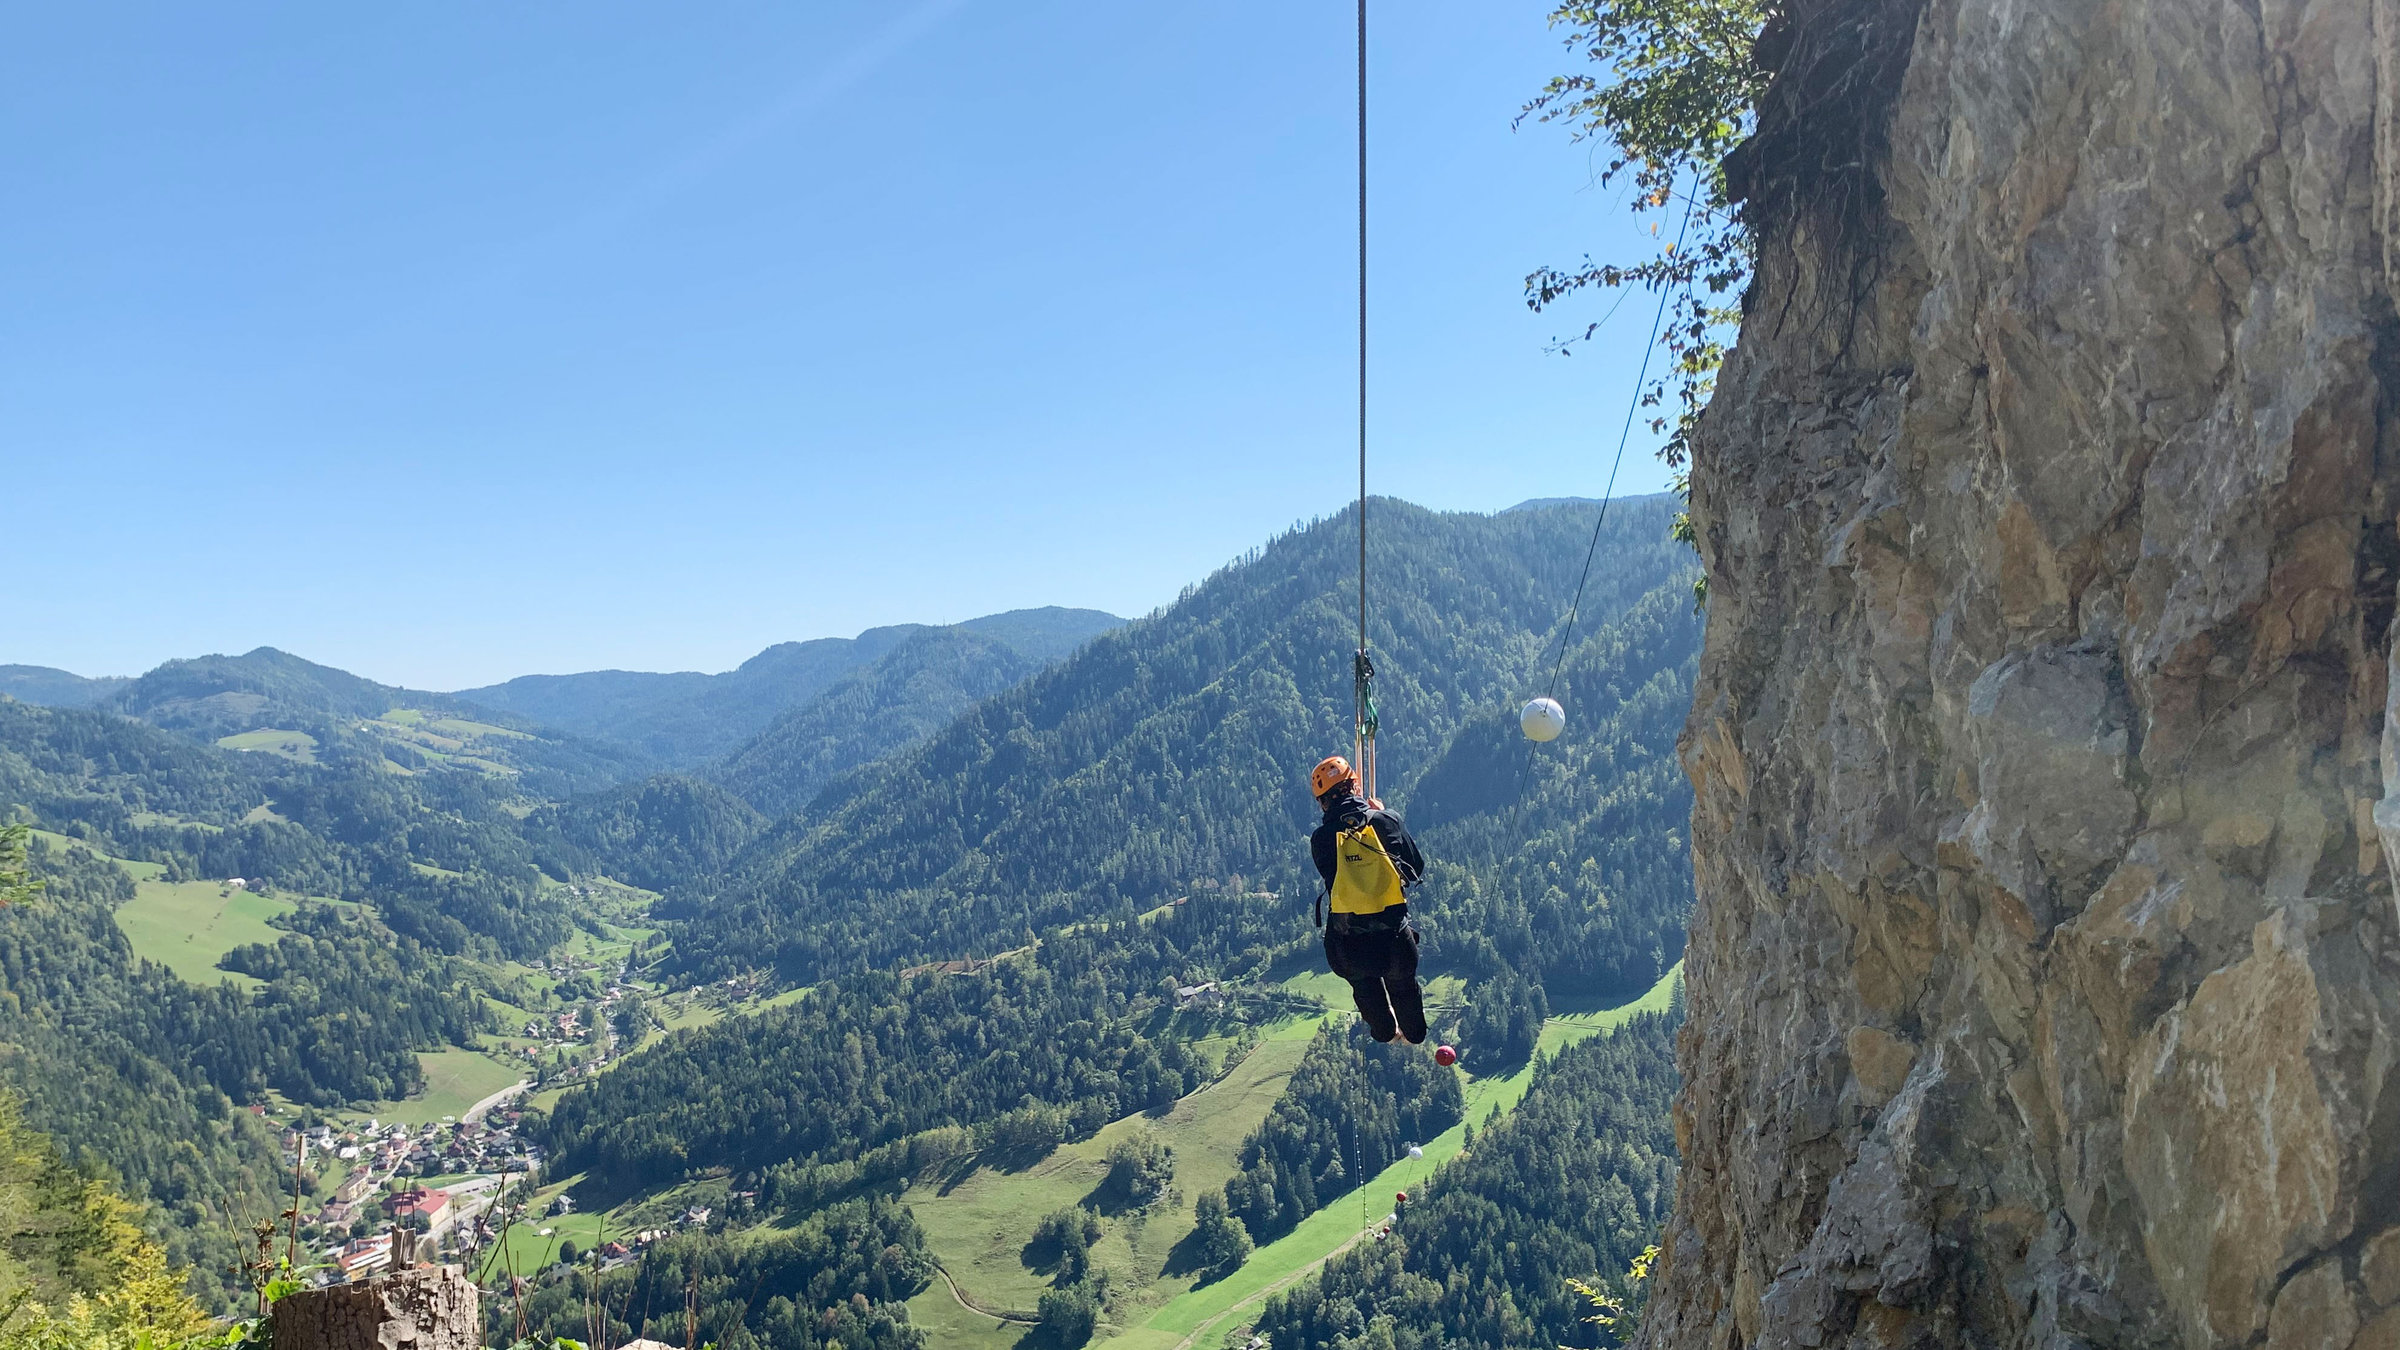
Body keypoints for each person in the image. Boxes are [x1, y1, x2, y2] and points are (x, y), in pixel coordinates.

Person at [1308, 755, 1428, 1044]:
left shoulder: (1321, 838)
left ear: (1323, 802)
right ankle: (1413, 1033)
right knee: (1404, 988)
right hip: (1394, 941)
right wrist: (1385, 817)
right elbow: (1416, 870)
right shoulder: (1387, 821)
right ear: (1356, 785)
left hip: (1348, 945)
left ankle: (1385, 1032)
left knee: (1364, 988)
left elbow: (1333, 877)